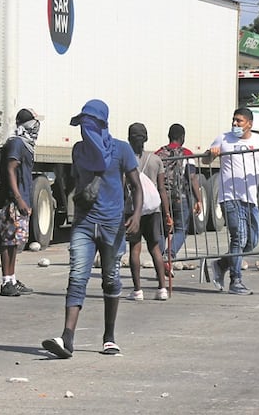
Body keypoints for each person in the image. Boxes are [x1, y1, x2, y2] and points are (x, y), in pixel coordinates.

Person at [42, 99, 141, 358]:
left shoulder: (121, 150)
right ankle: (67, 339)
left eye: (90, 124)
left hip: (112, 224)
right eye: (82, 124)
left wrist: (137, 214)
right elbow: (77, 179)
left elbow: (136, 186)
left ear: (102, 124)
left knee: (110, 279)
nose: (85, 129)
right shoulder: (78, 150)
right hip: (84, 223)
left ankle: (109, 337)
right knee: (77, 277)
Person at [203, 107, 259, 296]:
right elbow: (205, 160)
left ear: (249, 124)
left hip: (250, 199)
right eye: (233, 120)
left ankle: (221, 264)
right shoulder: (223, 139)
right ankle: (236, 281)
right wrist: (212, 153)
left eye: (239, 121)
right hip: (230, 197)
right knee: (239, 237)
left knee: (251, 241)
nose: (235, 124)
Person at [126, 122, 171, 302]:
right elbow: (161, 188)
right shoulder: (155, 160)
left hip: (132, 210)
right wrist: (167, 214)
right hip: (153, 210)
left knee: (135, 248)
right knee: (155, 248)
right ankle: (162, 289)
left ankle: (137, 291)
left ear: (129, 138)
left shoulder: (126, 159)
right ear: (146, 138)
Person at [0, 108, 39, 297]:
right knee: (8, 241)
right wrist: (18, 198)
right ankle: (6, 281)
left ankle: (12, 278)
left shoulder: (26, 144)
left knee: (15, 242)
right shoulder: (16, 143)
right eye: (33, 122)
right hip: (12, 201)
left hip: (21, 199)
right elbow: (10, 169)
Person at [156, 123, 204, 267]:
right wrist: (198, 199)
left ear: (168, 136)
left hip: (161, 197)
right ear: (182, 137)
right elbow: (192, 177)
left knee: (160, 230)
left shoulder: (158, 154)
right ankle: (169, 255)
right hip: (180, 197)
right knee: (181, 229)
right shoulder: (187, 153)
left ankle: (159, 260)